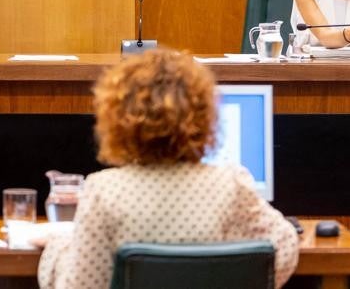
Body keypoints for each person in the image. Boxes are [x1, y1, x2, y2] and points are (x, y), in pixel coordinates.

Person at [37, 50, 298, 289]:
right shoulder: (231, 183)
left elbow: (80, 285)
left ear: (116, 120)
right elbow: (284, 249)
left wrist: (57, 249)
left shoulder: (103, 191)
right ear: (204, 117)